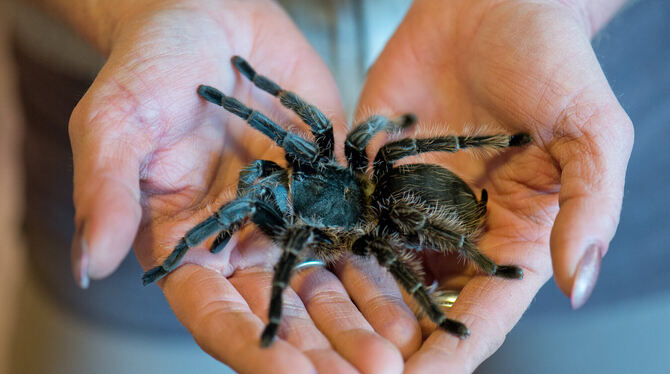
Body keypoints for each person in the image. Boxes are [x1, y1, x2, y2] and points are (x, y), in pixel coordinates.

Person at [7, 0, 641, 372]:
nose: (271, 178)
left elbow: (366, 174)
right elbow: (305, 125)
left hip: (523, 122)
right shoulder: (331, 166)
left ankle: (472, 265)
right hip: (107, 87)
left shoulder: (322, 210)